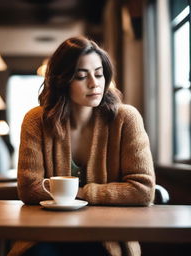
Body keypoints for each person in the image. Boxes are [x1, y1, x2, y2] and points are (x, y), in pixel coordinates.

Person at [10, 36, 155, 256]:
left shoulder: (126, 118)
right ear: (62, 80)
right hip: (47, 232)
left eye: (99, 74)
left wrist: (80, 193)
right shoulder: (35, 121)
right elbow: (29, 189)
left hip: (107, 235)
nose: (94, 83)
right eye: (81, 76)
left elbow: (143, 190)